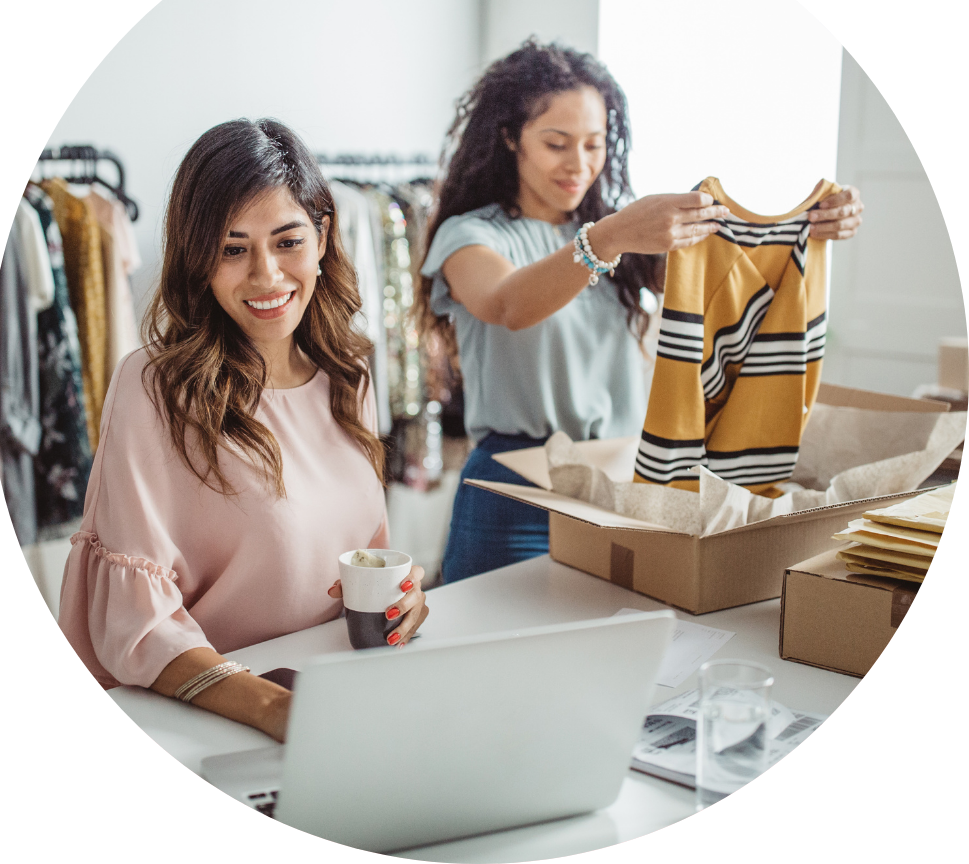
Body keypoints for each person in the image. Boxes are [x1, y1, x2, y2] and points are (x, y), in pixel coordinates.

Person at [417, 38, 864, 584]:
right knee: (487, 654)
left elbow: (731, 274)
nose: (578, 165)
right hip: (515, 492)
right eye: (557, 143)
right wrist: (609, 237)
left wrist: (813, 224)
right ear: (511, 138)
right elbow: (508, 304)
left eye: (594, 144)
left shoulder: (622, 237)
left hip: (620, 484)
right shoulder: (472, 235)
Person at [59, 119, 428, 743]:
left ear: (322, 237)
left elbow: (358, 560)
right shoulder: (154, 389)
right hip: (208, 724)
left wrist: (402, 602)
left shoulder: (350, 377)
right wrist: (277, 711)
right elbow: (138, 627)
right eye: (233, 249)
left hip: (340, 699)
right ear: (198, 259)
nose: (266, 276)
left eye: (287, 242)